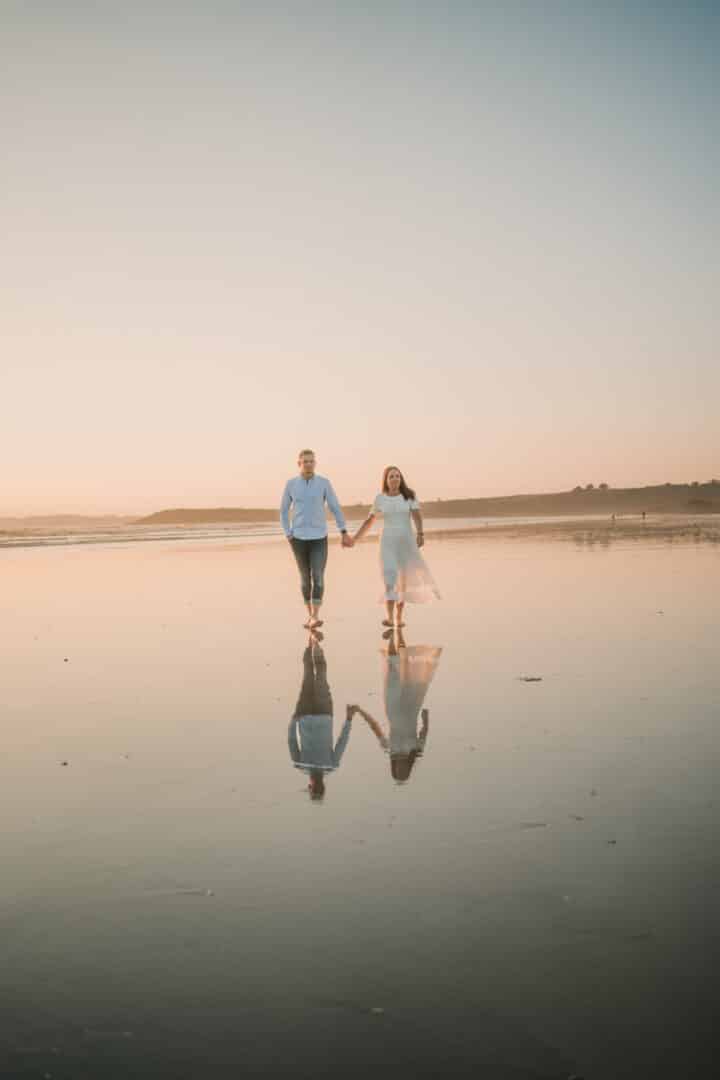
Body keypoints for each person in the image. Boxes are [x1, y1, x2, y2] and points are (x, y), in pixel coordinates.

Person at [352, 465, 440, 627]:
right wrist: (355, 539)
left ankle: (399, 617)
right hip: (387, 542)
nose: (395, 479)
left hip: (406, 542)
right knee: (389, 576)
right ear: (386, 480)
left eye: (397, 476)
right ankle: (389, 617)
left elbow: (417, 516)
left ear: (401, 479)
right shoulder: (380, 498)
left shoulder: (409, 495)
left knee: (402, 582)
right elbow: (369, 521)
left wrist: (420, 534)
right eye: (391, 476)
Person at [352, 627, 442, 783]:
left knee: (393, 671)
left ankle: (392, 637)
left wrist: (360, 711)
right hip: (410, 709)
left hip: (392, 709)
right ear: (408, 768)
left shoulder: (388, 748)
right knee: (406, 669)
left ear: (394, 768)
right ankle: (397, 634)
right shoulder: (416, 750)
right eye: (404, 772)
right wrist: (425, 717)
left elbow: (375, 727)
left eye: (398, 772)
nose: (401, 769)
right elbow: (424, 731)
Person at [280, 449, 353, 629]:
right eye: (305, 461)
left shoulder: (324, 483)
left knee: (318, 576)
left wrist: (343, 531)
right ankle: (310, 615)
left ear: (315, 463)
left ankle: (315, 616)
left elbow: (335, 507)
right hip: (298, 538)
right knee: (305, 578)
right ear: (299, 464)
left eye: (311, 461)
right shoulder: (291, 484)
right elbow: (283, 511)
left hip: (319, 537)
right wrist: (288, 533)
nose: (308, 464)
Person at [287, 632, 353, 800]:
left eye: (313, 788)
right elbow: (342, 742)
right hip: (324, 713)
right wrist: (348, 719)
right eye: (319, 788)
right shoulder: (331, 766)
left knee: (308, 674)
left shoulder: (300, 764)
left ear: (309, 786)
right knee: (321, 672)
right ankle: (315, 643)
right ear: (323, 786)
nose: (316, 785)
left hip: (304, 714)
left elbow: (292, 741)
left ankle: (311, 641)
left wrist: (293, 721)